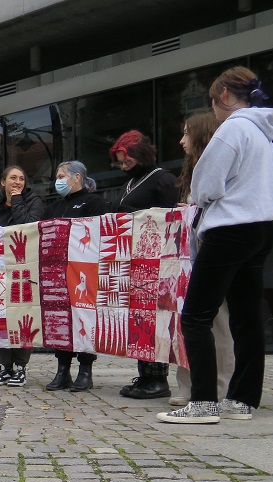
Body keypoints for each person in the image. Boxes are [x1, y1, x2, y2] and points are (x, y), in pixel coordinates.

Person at [159, 66, 273, 424]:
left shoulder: (232, 129)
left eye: (212, 102)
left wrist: (202, 200)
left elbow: (206, 186)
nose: (213, 110)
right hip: (260, 227)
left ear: (224, 96)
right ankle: (242, 399)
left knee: (196, 315)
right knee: (246, 316)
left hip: (228, 228)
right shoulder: (263, 134)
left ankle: (204, 402)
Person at [109, 130, 182, 400]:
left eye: (126, 161)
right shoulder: (133, 182)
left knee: (156, 319)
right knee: (140, 319)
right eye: (120, 162)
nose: (123, 167)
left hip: (157, 259)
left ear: (139, 156)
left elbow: (171, 218)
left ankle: (157, 378)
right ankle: (146, 375)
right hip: (135, 259)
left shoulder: (162, 179)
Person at [171, 111, 231, 407]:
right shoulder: (191, 172)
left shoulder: (217, 166)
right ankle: (188, 384)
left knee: (215, 319)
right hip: (189, 254)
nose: (182, 141)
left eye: (186, 134)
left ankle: (219, 387)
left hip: (210, 246)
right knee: (189, 318)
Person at [41, 160, 109, 392]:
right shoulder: (54, 207)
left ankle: (85, 370)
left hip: (84, 271)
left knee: (84, 318)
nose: (58, 180)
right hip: (58, 272)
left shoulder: (94, 202)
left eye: (62, 176)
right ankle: (63, 370)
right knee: (61, 318)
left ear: (77, 177)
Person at [0, 165, 45, 387]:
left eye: (21, 178)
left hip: (24, 269)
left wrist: (18, 199)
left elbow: (25, 225)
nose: (18, 182)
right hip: (1, 270)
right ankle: (6, 367)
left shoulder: (34, 201)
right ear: (3, 183)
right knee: (2, 318)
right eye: (13, 178)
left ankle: (20, 368)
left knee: (22, 318)